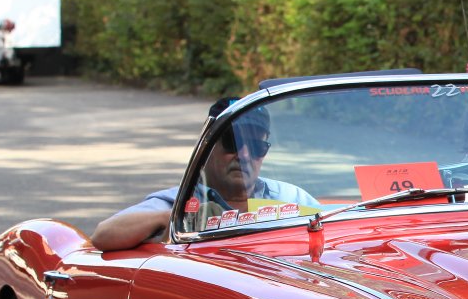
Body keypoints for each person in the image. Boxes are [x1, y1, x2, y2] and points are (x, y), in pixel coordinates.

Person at [91, 98, 318, 251]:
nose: (244, 154)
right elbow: (103, 236)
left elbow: (335, 234)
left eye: (256, 146)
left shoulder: (290, 197)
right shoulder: (181, 201)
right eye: (232, 143)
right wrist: (175, 218)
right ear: (206, 148)